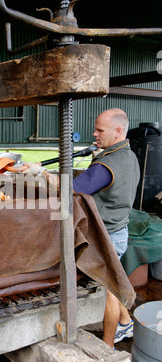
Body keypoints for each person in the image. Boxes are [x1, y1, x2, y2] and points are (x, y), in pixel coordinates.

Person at [21, 108, 140, 348]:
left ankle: (107, 347)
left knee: (108, 292)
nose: (94, 133)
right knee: (115, 283)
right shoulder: (129, 156)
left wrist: (41, 172)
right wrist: (99, 156)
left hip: (105, 236)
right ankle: (126, 323)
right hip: (119, 230)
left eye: (100, 130)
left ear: (118, 131)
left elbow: (70, 188)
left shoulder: (107, 166)